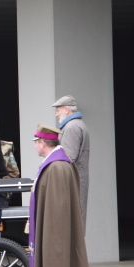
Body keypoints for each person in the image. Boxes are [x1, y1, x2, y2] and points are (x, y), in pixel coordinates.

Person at [29, 124, 95, 267]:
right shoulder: (57, 164)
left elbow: (58, 207)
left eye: (36, 142)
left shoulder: (57, 167)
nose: (35, 146)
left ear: (43, 143)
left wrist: (53, 239)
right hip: (56, 231)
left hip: (56, 233)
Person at [52, 95, 90, 229]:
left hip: (72, 181)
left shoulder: (71, 127)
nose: (56, 114)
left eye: (58, 110)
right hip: (76, 179)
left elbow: (68, 157)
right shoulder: (77, 125)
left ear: (66, 110)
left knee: (71, 222)